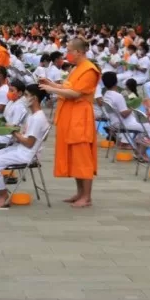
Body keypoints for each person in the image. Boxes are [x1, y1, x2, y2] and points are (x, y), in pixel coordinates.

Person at [41, 38, 100, 208]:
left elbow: (76, 93)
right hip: (70, 116)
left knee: (82, 157)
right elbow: (68, 87)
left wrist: (51, 90)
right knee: (74, 157)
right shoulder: (76, 68)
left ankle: (87, 197)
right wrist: (51, 84)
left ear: (78, 52)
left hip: (80, 117)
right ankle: (80, 192)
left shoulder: (89, 70)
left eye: (69, 51)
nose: (66, 54)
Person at [0, 83, 50, 208]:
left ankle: (3, 194)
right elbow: (25, 135)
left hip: (27, 154)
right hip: (19, 149)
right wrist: (16, 131)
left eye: (27, 95)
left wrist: (14, 132)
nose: (24, 98)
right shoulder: (31, 115)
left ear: (35, 98)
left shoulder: (38, 118)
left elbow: (29, 143)